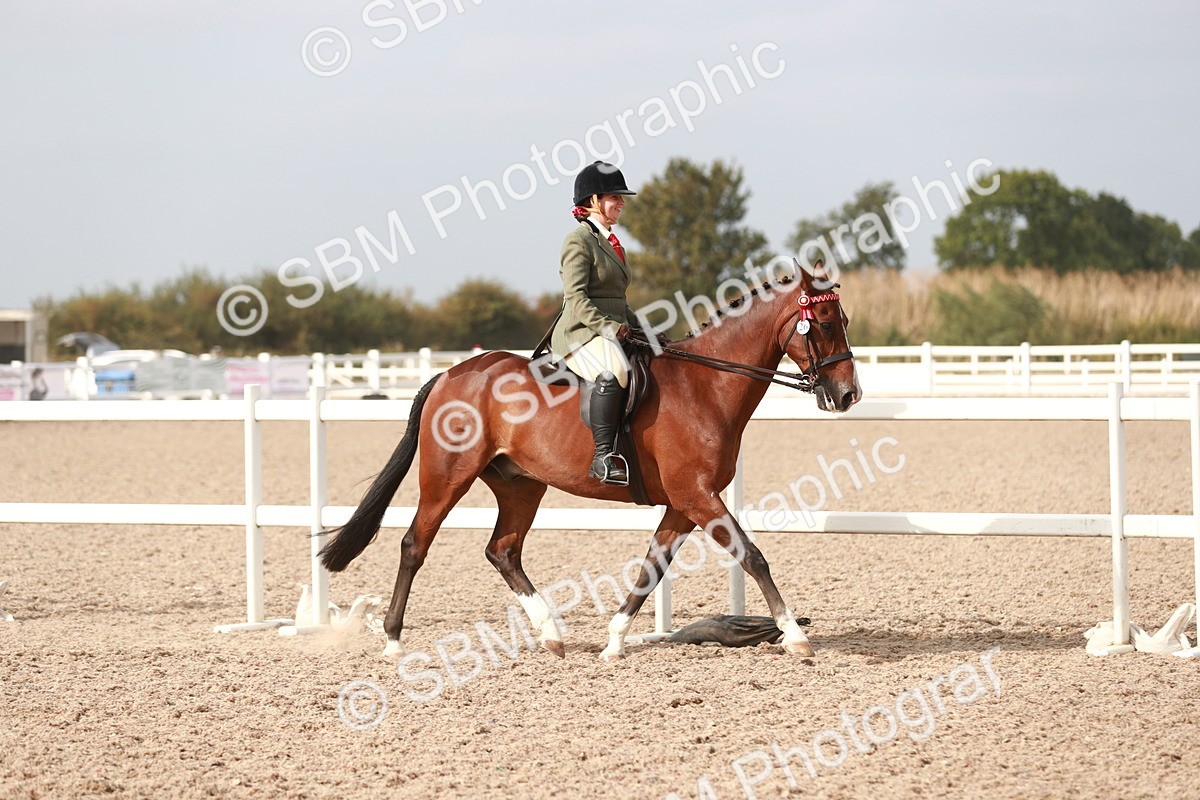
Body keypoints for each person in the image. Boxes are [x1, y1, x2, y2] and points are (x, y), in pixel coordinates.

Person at [550, 160, 640, 485]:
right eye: (615, 197)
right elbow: (576, 297)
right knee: (615, 369)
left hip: (610, 329)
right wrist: (609, 327)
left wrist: (643, 330)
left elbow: (619, 300)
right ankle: (603, 457)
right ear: (593, 202)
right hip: (580, 334)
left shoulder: (614, 244)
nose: (622, 203)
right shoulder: (578, 241)